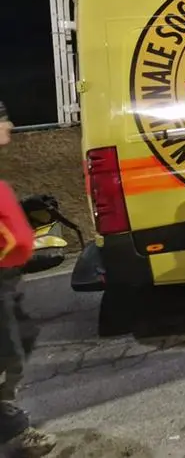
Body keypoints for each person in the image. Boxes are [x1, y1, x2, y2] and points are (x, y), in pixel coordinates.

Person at [0, 103, 57, 457]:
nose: (11, 125)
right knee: (8, 355)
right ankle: (14, 429)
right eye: (3, 119)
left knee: (20, 340)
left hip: (7, 279)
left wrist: (22, 210)